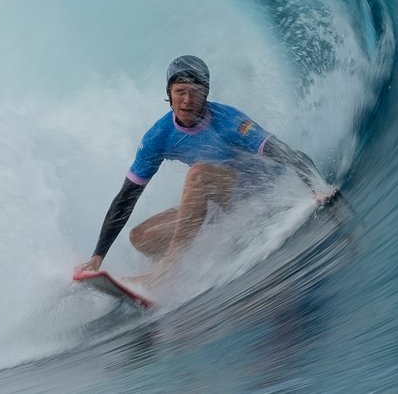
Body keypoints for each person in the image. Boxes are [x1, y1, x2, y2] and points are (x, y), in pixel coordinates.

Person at [75, 55, 332, 276]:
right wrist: (98, 257)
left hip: (259, 193)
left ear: (206, 94)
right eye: (180, 92)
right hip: (221, 206)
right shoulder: (158, 136)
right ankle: (177, 277)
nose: (187, 100)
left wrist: (318, 188)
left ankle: (169, 271)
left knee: (198, 174)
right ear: (169, 94)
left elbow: (289, 155)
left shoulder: (230, 121)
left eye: (195, 92)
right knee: (142, 237)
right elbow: (125, 198)